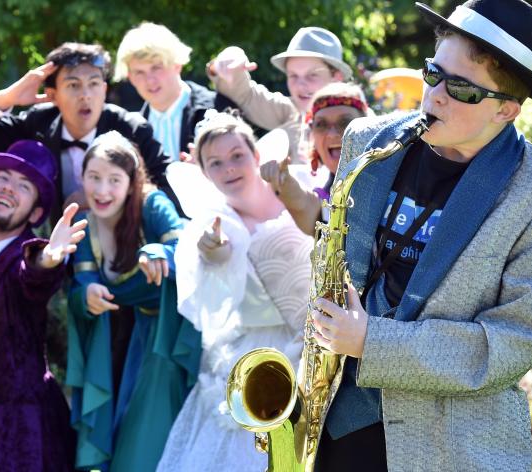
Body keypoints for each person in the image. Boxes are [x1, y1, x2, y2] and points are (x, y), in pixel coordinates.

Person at [309, 1, 532, 470]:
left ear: (507, 110)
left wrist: (372, 341)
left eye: (461, 88)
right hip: (339, 427)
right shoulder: (366, 140)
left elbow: (512, 343)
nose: (435, 96)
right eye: (433, 73)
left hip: (451, 447)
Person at [157, 110, 313, 471]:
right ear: (205, 173)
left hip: (317, 343)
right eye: (216, 163)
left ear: (256, 156)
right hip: (256, 354)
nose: (229, 168)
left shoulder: (297, 186)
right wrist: (214, 249)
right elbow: (216, 257)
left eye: (237, 156)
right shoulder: (212, 221)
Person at [66, 131, 200, 472]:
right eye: (93, 178)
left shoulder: (152, 205)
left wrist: (158, 252)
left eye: (114, 179)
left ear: (131, 181)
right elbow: (82, 287)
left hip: (172, 337)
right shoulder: (85, 226)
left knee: (144, 445)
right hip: (126, 342)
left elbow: (185, 241)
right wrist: (87, 297)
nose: (102, 190)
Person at [0, 140, 85, 471]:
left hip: (23, 436)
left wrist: (50, 259)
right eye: (3, 178)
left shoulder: (28, 253)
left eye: (24, 186)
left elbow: (33, 274)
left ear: (36, 213)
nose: (9, 189)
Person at [0, 42, 180, 221]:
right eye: (73, 85)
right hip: (55, 256)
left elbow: (169, 191)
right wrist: (9, 97)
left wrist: (105, 195)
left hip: (124, 250)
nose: (85, 95)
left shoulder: (132, 130)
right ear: (52, 94)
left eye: (94, 84)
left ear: (104, 90)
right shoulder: (39, 123)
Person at [207, 27, 354, 160]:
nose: (300, 85)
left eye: (312, 75)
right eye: (293, 75)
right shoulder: (290, 111)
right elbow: (244, 95)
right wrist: (228, 63)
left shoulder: (362, 123)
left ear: (337, 77)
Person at [261, 82, 370, 235]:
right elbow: (302, 204)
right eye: (321, 124)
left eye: (345, 122)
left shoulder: (397, 174)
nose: (332, 134)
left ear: (370, 127)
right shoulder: (323, 198)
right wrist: (283, 181)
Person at [114, 22, 235, 160]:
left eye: (156, 68)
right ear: (130, 77)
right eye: (139, 72)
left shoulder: (219, 109)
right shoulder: (130, 130)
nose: (150, 80)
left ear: (177, 64)